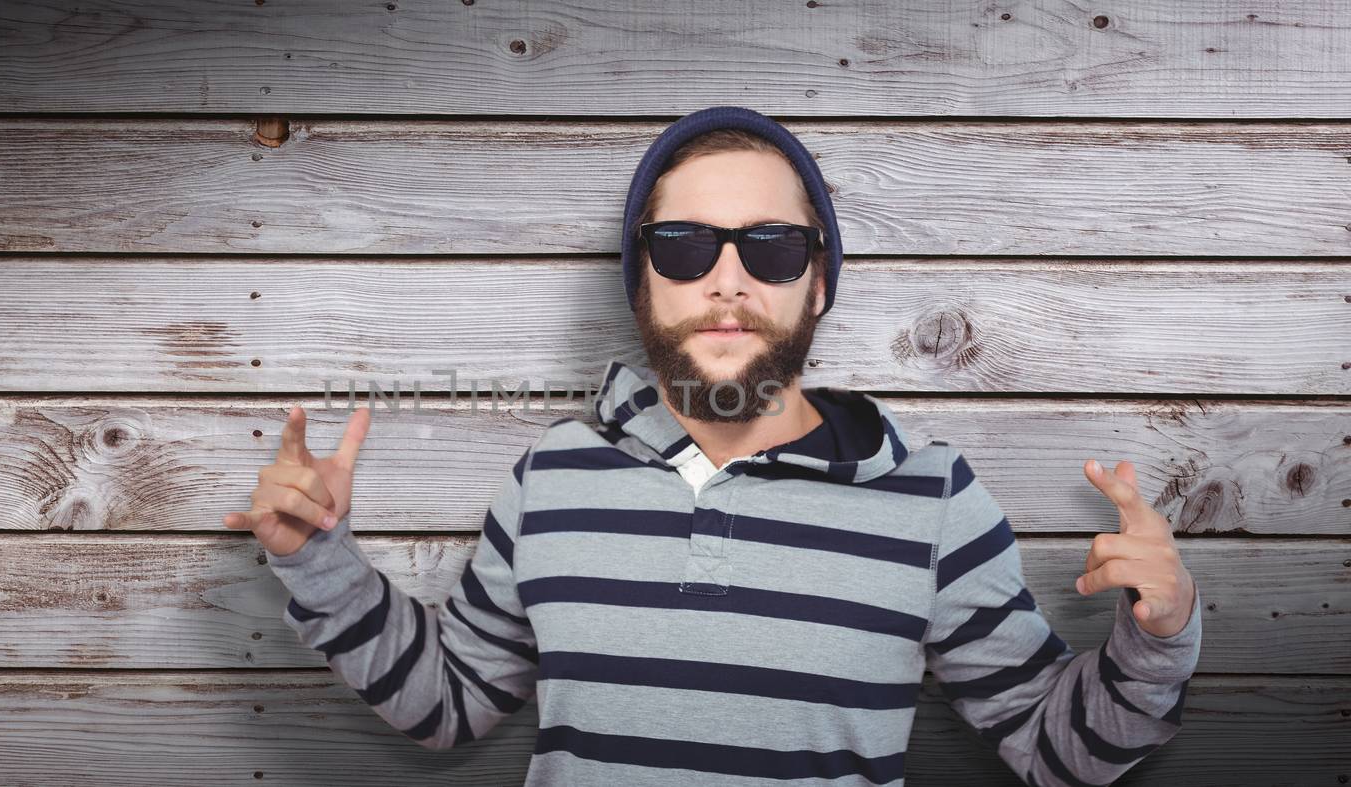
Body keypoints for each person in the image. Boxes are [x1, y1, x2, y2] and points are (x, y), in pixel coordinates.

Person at [223, 106, 1201, 786]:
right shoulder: (552, 478)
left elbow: (1054, 750)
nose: (727, 279)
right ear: (641, 281)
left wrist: (1160, 633)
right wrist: (318, 561)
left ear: (817, 283)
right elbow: (449, 704)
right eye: (685, 245)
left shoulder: (931, 499)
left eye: (771, 246)